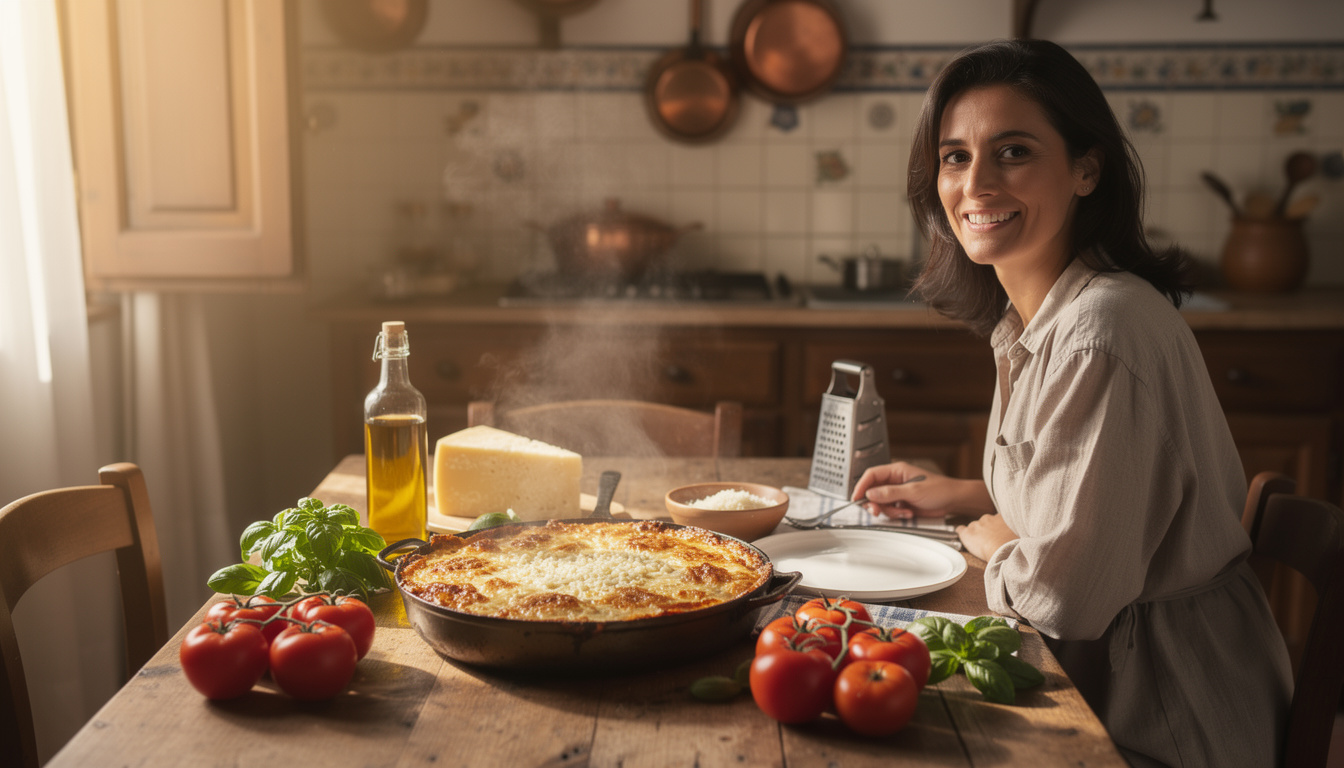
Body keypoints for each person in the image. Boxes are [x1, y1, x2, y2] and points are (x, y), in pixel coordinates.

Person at [851, 38, 1293, 767]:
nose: (977, 185)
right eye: (955, 157)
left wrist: (995, 542)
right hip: (1108, 682)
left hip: (1164, 715)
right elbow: (1102, 501)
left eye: (1014, 152)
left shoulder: (1100, 330)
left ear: (1086, 169)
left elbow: (1066, 600)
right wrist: (969, 494)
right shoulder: (1031, 318)